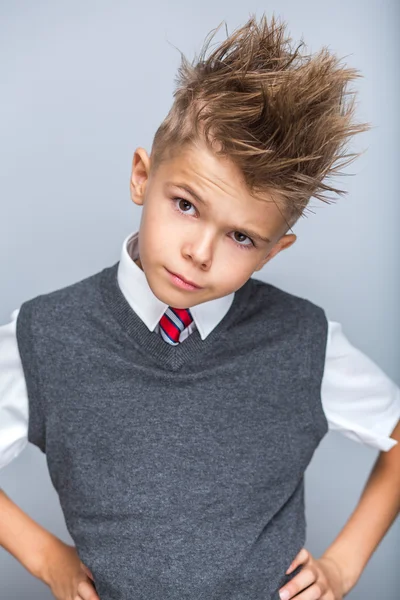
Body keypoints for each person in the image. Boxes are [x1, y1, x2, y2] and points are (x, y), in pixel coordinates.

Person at [0, 13, 399, 600]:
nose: (199, 253)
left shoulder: (302, 340)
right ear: (142, 176)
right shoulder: (45, 335)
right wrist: (46, 559)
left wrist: (341, 566)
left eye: (242, 237)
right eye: (185, 205)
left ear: (273, 251)